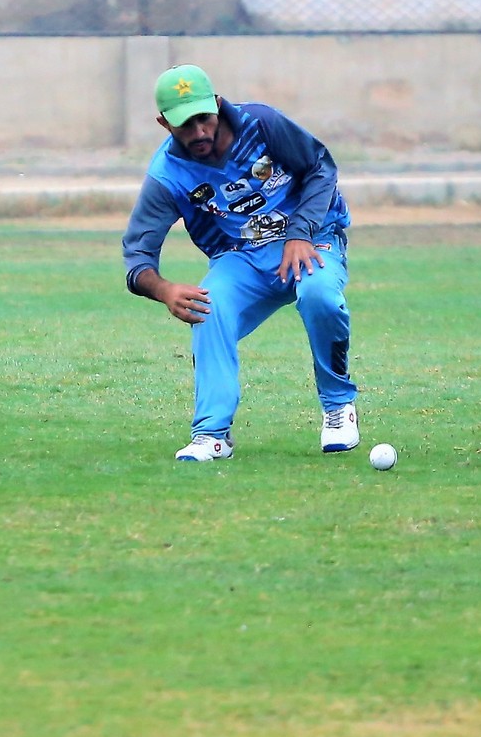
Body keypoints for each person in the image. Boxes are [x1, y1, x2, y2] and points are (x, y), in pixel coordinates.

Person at [121, 63, 359, 462]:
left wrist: (300, 232)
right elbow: (137, 254)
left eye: (204, 118)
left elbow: (321, 166)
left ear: (217, 105)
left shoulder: (261, 124)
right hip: (242, 257)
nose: (199, 132)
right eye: (185, 124)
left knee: (319, 294)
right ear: (164, 123)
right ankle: (212, 434)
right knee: (207, 306)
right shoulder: (167, 174)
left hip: (312, 240)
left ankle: (338, 405)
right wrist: (163, 290)